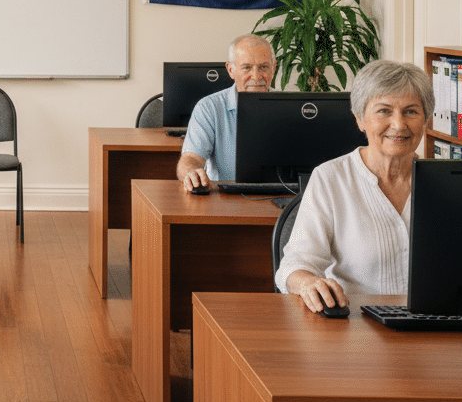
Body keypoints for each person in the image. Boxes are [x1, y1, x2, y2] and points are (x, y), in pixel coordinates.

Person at [274, 59, 434, 313]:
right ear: (360, 119)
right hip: (356, 330)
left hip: (432, 330)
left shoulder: (444, 183)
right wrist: (308, 283)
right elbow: (295, 264)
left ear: (426, 120)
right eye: (384, 111)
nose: (399, 124)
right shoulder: (330, 178)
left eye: (411, 111)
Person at [177, 34, 276, 192]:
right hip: (226, 199)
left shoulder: (292, 107)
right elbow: (191, 158)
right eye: (247, 68)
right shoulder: (208, 108)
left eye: (264, 67)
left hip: (283, 200)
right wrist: (191, 172)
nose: (256, 76)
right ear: (231, 70)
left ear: (274, 68)